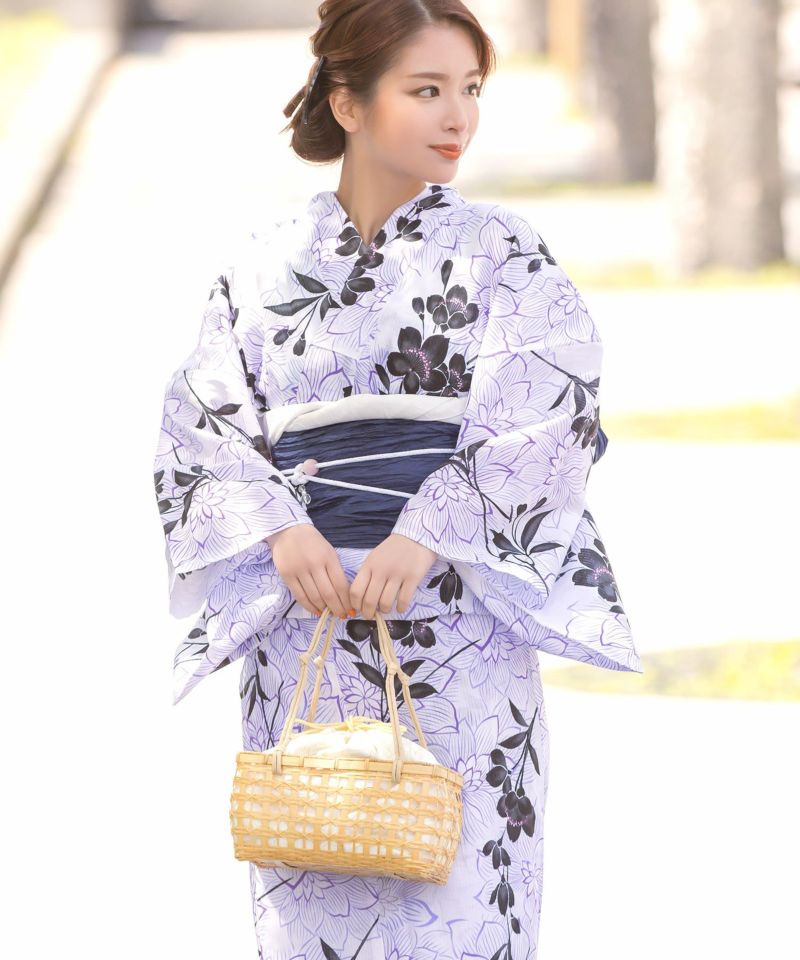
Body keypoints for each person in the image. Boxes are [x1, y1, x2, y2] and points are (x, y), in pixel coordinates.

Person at [152, 1, 643, 956]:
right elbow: (199, 419)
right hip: (307, 616)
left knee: (466, 900)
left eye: (470, 90)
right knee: (313, 875)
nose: (459, 117)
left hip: (456, 617)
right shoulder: (259, 265)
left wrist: (427, 531)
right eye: (427, 91)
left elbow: (554, 409)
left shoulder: (502, 252)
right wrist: (280, 527)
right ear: (348, 102)